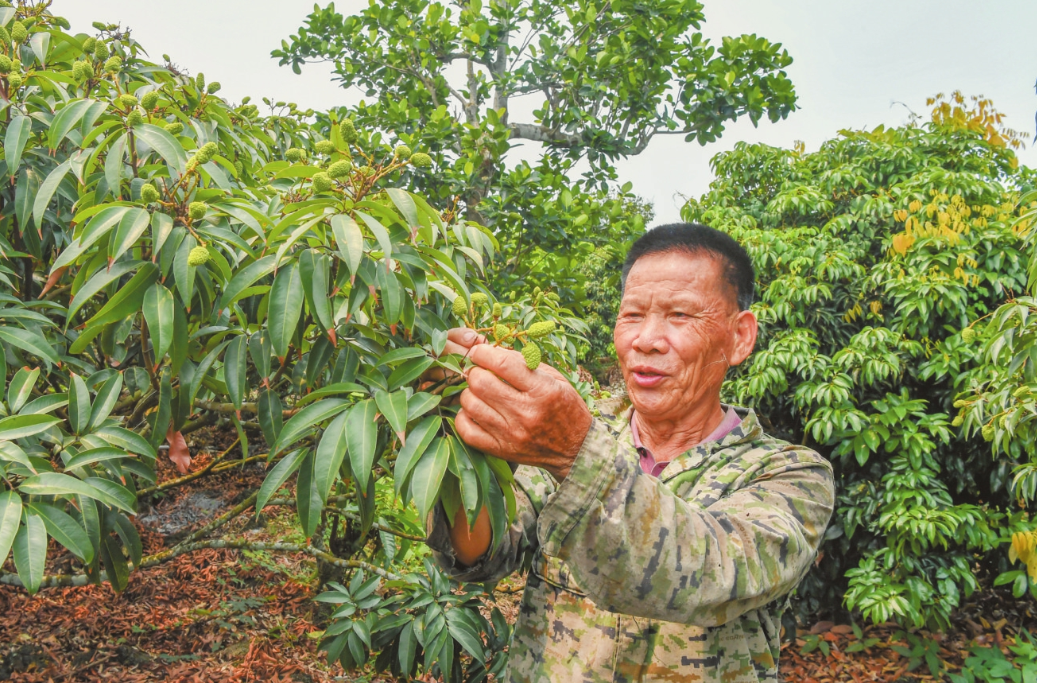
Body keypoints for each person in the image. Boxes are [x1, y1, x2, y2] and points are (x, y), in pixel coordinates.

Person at [425, 222, 835, 682]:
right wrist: (455, 443)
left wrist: (573, 450)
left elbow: (710, 574)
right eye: (633, 315)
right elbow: (484, 551)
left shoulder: (792, 476)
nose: (646, 340)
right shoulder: (584, 433)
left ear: (740, 336)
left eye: (680, 316)